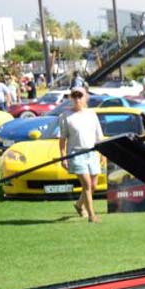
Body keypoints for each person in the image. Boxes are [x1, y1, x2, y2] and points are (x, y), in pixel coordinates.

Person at [58, 87, 105, 223]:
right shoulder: (65, 116)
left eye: (80, 96)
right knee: (87, 185)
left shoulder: (92, 114)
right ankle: (92, 216)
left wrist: (103, 153)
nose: (77, 99)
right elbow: (62, 139)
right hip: (76, 154)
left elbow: (99, 135)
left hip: (92, 153)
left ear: (86, 98)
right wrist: (63, 157)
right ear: (71, 98)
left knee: (94, 185)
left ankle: (79, 205)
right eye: (74, 96)